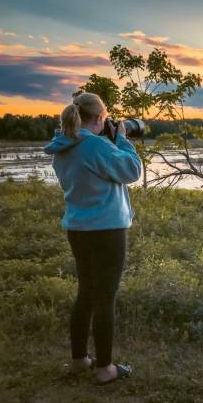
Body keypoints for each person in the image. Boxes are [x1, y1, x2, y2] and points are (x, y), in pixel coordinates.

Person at [44, 92, 142, 385]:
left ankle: (78, 360)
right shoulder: (95, 146)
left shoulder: (63, 146)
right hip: (107, 230)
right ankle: (104, 369)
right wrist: (123, 139)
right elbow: (132, 170)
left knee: (86, 292)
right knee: (105, 298)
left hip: (78, 228)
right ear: (100, 118)